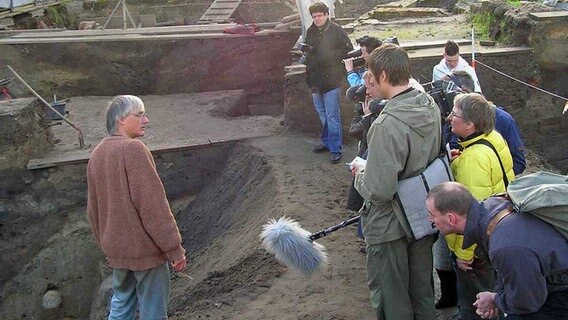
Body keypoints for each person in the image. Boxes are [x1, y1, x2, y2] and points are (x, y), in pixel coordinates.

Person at [352, 43, 441, 320]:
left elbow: (379, 190)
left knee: (392, 299)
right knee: (422, 292)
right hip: (421, 214)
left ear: (384, 76)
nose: (369, 83)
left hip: (390, 223)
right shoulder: (429, 105)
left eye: (371, 76)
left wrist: (360, 174)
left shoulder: (385, 125)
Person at [87, 95, 187, 319]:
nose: (146, 120)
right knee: (153, 310)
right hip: (144, 251)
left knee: (121, 305)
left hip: (116, 250)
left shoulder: (97, 154)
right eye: (139, 115)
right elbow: (153, 207)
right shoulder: (133, 150)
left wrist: (107, 243)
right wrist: (174, 248)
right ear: (121, 119)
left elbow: (92, 210)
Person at [426, 182, 568, 319]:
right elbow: (509, 273)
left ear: (451, 219)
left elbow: (527, 302)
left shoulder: (504, 247)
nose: (430, 219)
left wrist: (495, 299)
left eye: (432, 214)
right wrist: (498, 295)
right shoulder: (493, 207)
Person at [446, 92, 515, 320]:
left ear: (470, 124)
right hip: (500, 230)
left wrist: (464, 253)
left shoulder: (473, 160)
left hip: (476, 249)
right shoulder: (493, 137)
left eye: (454, 115)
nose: (448, 118)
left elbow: (470, 214)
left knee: (474, 306)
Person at [446, 70, 526, 175]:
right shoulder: (451, 118)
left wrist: (492, 177)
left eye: (447, 92)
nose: (450, 118)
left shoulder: (503, 119)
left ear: (463, 92)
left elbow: (519, 162)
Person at [303, 2, 353, 164]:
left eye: (319, 16)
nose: (317, 19)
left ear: (326, 15)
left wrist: (328, 55)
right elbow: (309, 49)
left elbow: (348, 50)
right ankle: (328, 142)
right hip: (315, 80)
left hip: (331, 78)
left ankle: (335, 148)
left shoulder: (337, 31)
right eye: (314, 16)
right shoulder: (311, 31)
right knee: (322, 113)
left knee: (332, 115)